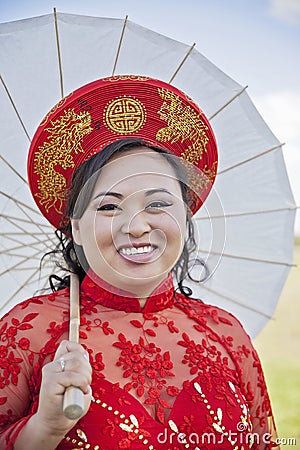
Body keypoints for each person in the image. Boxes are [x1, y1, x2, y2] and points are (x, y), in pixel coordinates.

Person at [0, 76, 279, 449]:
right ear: (77, 229)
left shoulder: (227, 336)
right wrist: (43, 429)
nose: (136, 226)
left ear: (185, 216)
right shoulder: (25, 334)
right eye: (109, 206)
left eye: (158, 204)